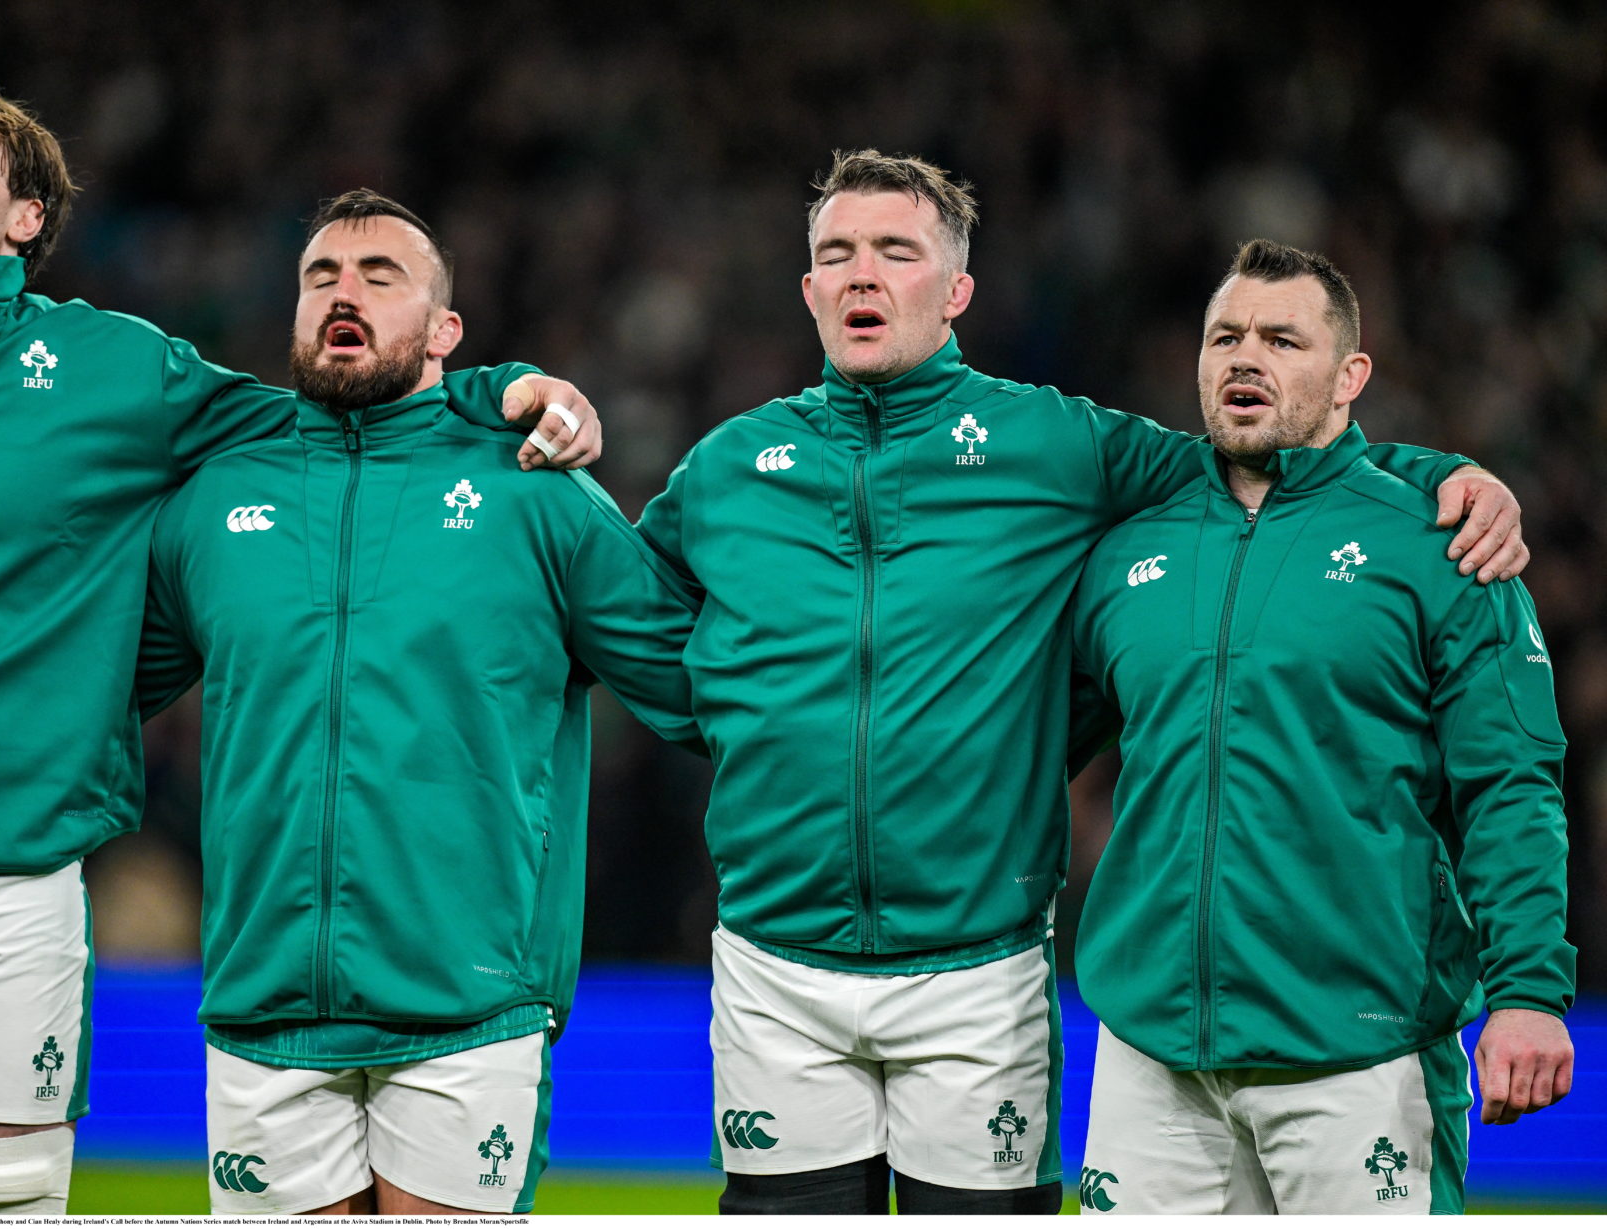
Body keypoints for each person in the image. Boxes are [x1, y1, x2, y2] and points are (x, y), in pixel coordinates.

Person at [0, 73, 600, 1217]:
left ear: (25, 217)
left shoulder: (116, 369)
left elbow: (331, 411)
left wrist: (500, 387)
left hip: (12, 879)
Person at [633, 150, 1530, 1215]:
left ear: (956, 289)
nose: (862, 274)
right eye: (836, 254)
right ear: (809, 289)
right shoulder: (733, 464)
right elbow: (629, 608)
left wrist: (1438, 474)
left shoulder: (1058, 443)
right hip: (775, 959)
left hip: (978, 964)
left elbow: (1249, 461)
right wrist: (732, 715)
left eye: (894, 251)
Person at [136, 189, 701, 1217]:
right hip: (265, 1008)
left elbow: (700, 685)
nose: (343, 292)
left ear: (445, 332)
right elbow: (84, 691)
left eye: (378, 276)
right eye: (321, 277)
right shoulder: (214, 502)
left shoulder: (536, 487)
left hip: (468, 1008)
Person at [1067, 239, 1573, 1216]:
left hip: (1361, 1046)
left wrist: (1529, 989)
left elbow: (1512, 783)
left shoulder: (1443, 545)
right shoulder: (1128, 554)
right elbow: (1029, 748)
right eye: (1226, 335)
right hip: (1148, 1048)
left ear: (1351, 377)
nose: (1245, 355)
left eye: (1282, 338)